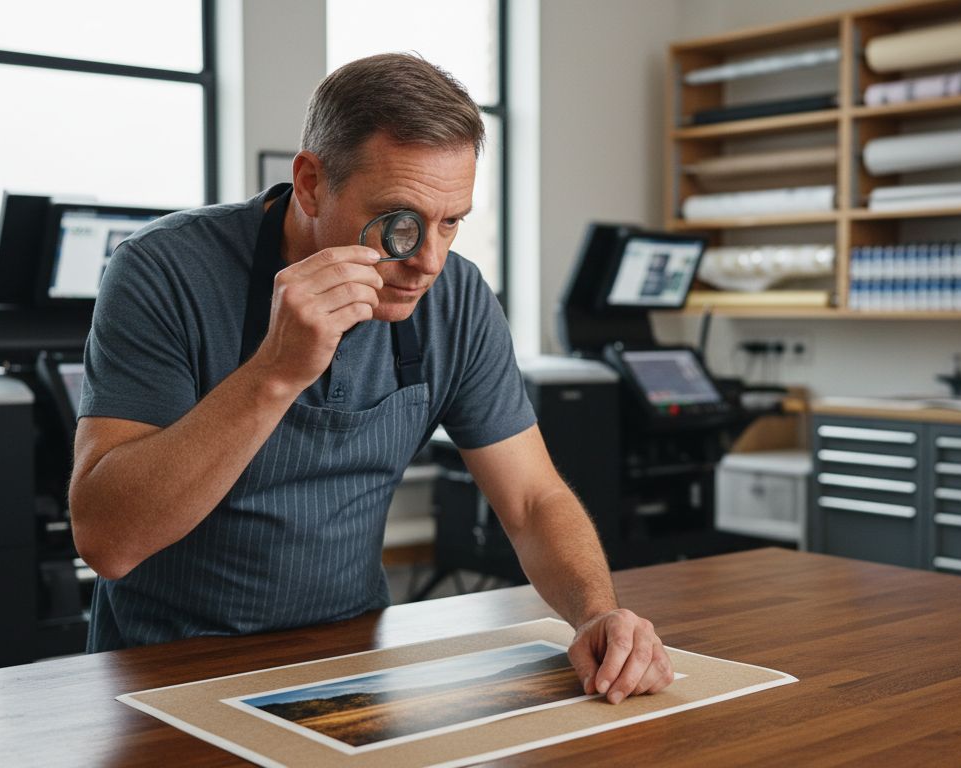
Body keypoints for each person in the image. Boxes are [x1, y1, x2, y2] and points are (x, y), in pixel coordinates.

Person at [68, 53, 672, 704]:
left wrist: (595, 612)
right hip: (164, 674)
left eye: (452, 222)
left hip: (349, 666)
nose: (430, 263)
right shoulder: (162, 273)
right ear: (309, 184)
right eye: (400, 224)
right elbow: (108, 542)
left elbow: (531, 501)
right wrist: (276, 372)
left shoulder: (459, 299)